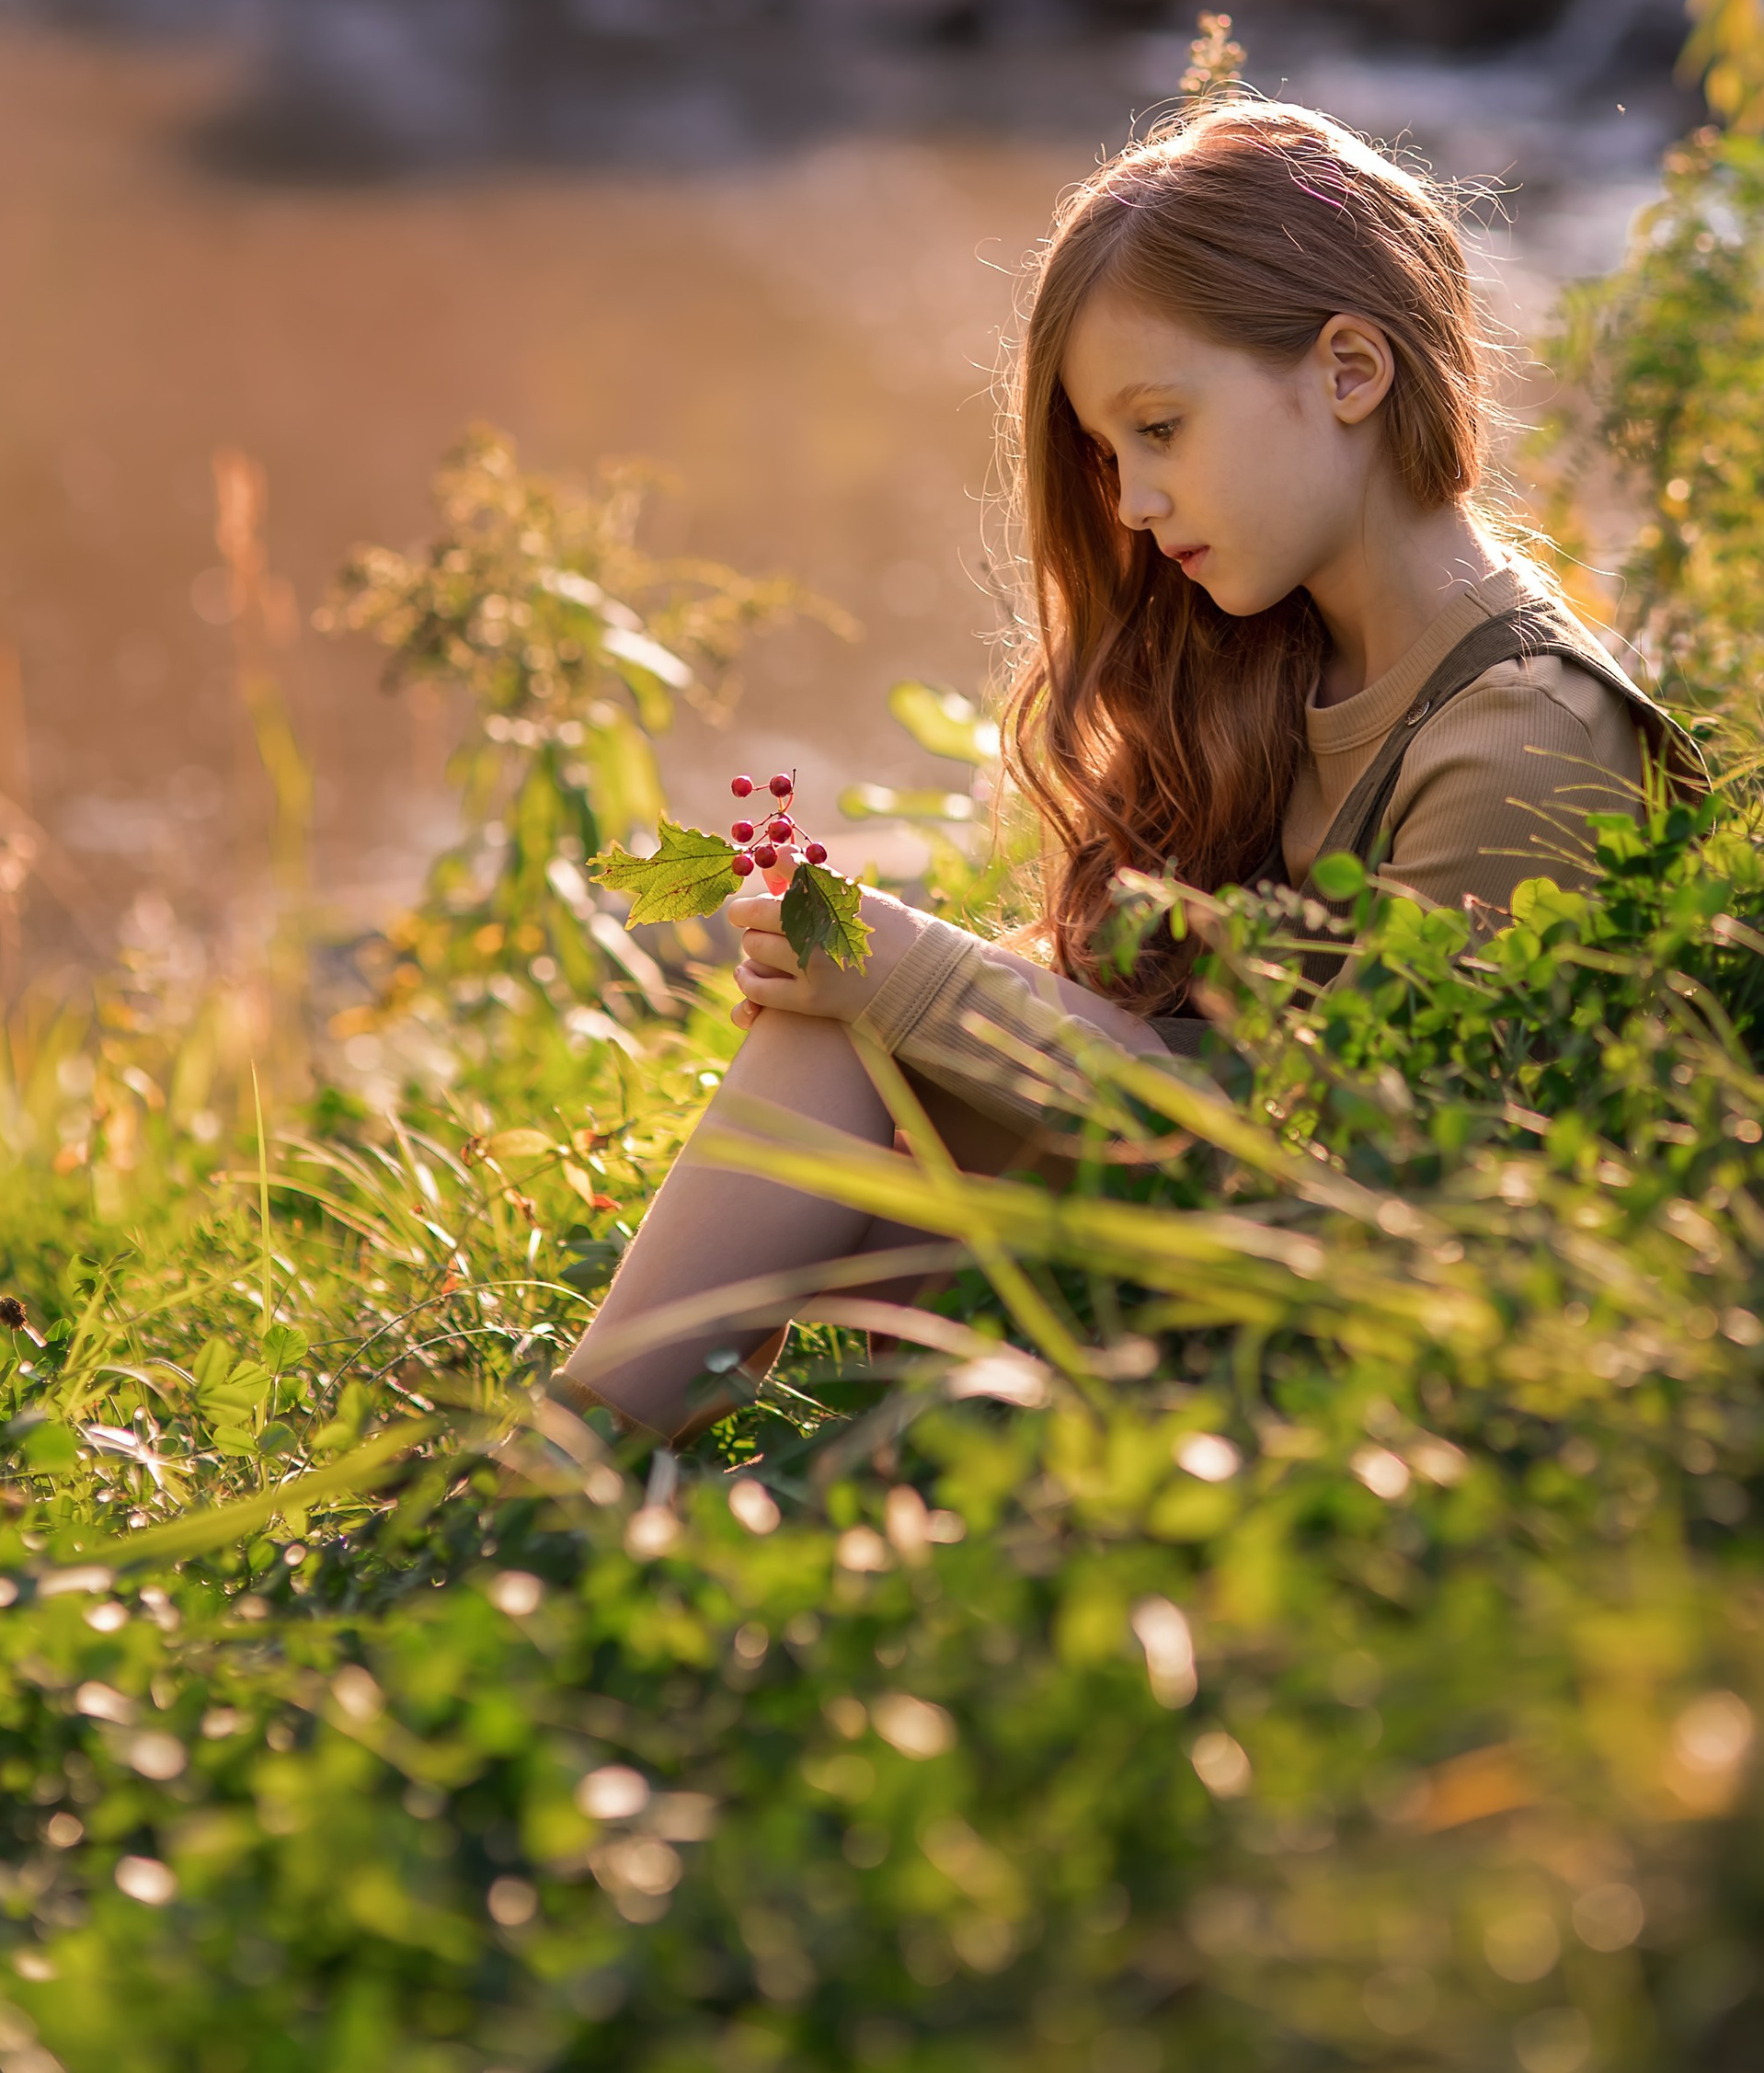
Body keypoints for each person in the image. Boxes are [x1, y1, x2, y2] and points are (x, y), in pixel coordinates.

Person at [556, 95, 1702, 1440]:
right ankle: (576, 1463)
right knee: (847, 1020)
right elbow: (1181, 1041)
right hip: (1201, 1268)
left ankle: (557, 1482)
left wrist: (919, 975)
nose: (1133, 506)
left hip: (1357, 1358)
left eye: (1160, 429)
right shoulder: (1282, 662)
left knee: (876, 1007)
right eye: (1109, 456)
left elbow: (1356, 1176)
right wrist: (899, 981)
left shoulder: (1519, 735)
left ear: (1349, 371)